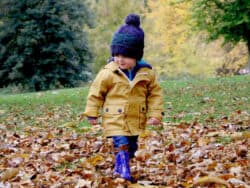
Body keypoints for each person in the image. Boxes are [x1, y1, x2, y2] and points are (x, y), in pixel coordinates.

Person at [83, 14, 164, 182]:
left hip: (135, 119)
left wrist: (156, 114)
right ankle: (123, 170)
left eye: (125, 56)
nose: (120, 59)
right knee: (122, 143)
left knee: (132, 147)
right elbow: (96, 91)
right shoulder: (108, 72)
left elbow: (155, 94)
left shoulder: (146, 73)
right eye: (117, 55)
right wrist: (92, 112)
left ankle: (121, 164)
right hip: (114, 117)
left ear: (136, 56)